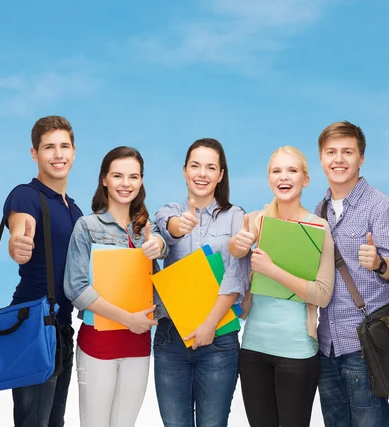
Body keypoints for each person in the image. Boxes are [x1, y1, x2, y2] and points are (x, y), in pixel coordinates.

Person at [228, 146, 335, 427]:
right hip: (253, 350)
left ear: (306, 179)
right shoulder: (255, 221)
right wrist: (237, 245)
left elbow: (323, 295)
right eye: (276, 171)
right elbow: (235, 253)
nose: (283, 177)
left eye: (292, 170)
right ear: (268, 179)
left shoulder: (319, 228)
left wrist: (273, 271)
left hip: (297, 354)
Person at [314, 121, 389, 427]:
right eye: (331, 152)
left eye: (347, 152)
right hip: (327, 345)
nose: (338, 159)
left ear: (361, 158)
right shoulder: (320, 210)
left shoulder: (379, 206)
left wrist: (380, 263)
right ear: (321, 158)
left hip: (364, 346)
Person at [63, 146, 167, 427]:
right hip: (99, 345)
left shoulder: (147, 228)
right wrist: (127, 320)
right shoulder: (86, 226)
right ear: (104, 180)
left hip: (138, 346)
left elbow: (161, 245)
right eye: (118, 175)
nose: (126, 183)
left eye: (133, 177)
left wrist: (157, 245)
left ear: (141, 181)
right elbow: (76, 288)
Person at [153, 137, 248, 427]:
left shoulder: (236, 217)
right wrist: (176, 227)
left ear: (221, 174)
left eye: (210, 167)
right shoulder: (169, 211)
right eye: (195, 166)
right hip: (171, 340)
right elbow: (164, 229)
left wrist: (210, 324)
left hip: (219, 341)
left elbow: (236, 275)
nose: (202, 174)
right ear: (184, 171)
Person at [2, 115, 83, 427]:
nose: (58, 154)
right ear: (35, 153)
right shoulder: (26, 195)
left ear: (74, 152)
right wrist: (18, 244)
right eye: (49, 147)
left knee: (53, 423)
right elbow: (19, 230)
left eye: (64, 146)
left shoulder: (75, 211)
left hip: (63, 328)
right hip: (33, 325)